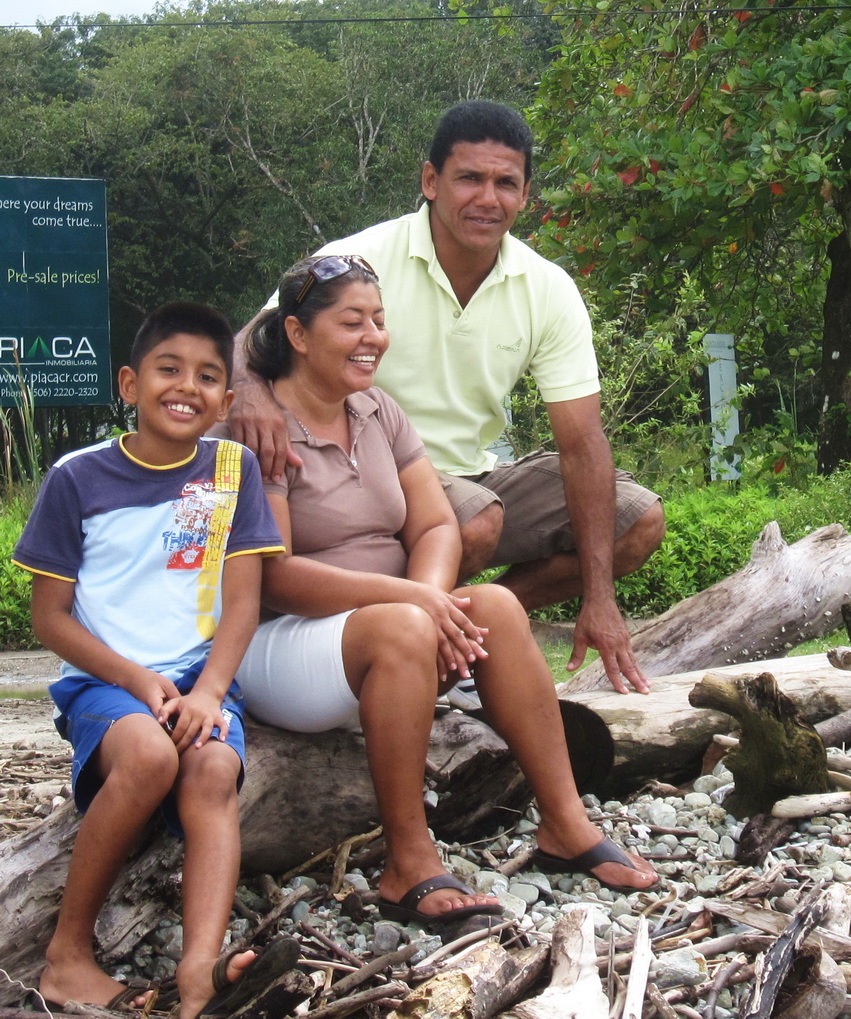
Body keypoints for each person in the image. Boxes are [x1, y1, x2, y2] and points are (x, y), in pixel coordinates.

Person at [226, 254, 658, 927]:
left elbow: (433, 521)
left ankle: (564, 824)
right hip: (278, 643)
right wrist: (406, 604)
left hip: (383, 630)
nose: (373, 335)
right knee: (404, 625)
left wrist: (430, 596)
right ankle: (407, 860)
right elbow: (274, 574)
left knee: (494, 604)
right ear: (299, 335)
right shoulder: (264, 428)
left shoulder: (377, 411)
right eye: (351, 322)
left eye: (378, 319)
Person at [228, 101, 665, 696]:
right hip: (374, 480)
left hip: (477, 474)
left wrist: (601, 596)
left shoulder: (546, 288)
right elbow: (246, 342)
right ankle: (402, 648)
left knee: (636, 521)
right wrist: (250, 389)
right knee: (475, 521)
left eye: (505, 182)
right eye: (469, 178)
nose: (488, 198)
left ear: (526, 194)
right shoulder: (361, 260)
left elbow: (582, 441)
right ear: (430, 181)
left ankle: (469, 634)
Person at [11, 304, 293, 1019]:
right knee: (148, 758)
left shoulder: (233, 469)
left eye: (207, 376)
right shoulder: (78, 476)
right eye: (169, 369)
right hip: (106, 681)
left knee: (210, 767)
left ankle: (200, 971)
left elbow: (241, 604)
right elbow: (50, 617)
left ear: (227, 401)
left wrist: (211, 692)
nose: (187, 387)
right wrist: (135, 679)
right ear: (131, 384)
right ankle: (66, 955)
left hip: (201, 679)